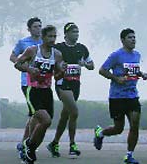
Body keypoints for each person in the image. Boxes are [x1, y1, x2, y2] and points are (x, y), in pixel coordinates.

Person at [94, 28, 147, 164]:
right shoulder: (116, 55)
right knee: (118, 128)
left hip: (132, 95)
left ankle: (129, 155)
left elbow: (134, 70)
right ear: (123, 40)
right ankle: (100, 133)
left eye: (134, 37)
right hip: (117, 97)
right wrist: (116, 78)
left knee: (134, 124)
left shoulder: (137, 55)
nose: (133, 40)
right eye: (130, 37)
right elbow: (102, 70)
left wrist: (142, 74)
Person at [14, 25, 64, 163]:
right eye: (50, 36)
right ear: (43, 37)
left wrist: (62, 71)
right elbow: (17, 64)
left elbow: (57, 77)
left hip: (46, 91)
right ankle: (29, 145)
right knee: (45, 120)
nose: (53, 39)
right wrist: (30, 70)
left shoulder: (57, 54)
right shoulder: (32, 50)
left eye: (54, 36)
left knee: (45, 124)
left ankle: (30, 149)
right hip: (33, 90)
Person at [48, 22, 94, 158]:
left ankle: (54, 143)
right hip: (62, 83)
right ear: (66, 34)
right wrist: (59, 65)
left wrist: (84, 64)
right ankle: (72, 145)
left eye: (77, 32)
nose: (76, 34)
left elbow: (92, 65)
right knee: (74, 112)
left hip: (76, 84)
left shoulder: (82, 48)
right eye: (73, 32)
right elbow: (49, 62)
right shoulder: (58, 48)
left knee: (65, 115)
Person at [10, 17, 43, 159]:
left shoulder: (45, 42)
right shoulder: (23, 43)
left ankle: (24, 143)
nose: (38, 29)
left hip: (43, 83)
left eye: (40, 26)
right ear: (29, 29)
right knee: (35, 114)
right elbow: (13, 57)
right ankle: (25, 144)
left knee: (34, 115)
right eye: (35, 26)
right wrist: (26, 67)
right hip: (27, 82)